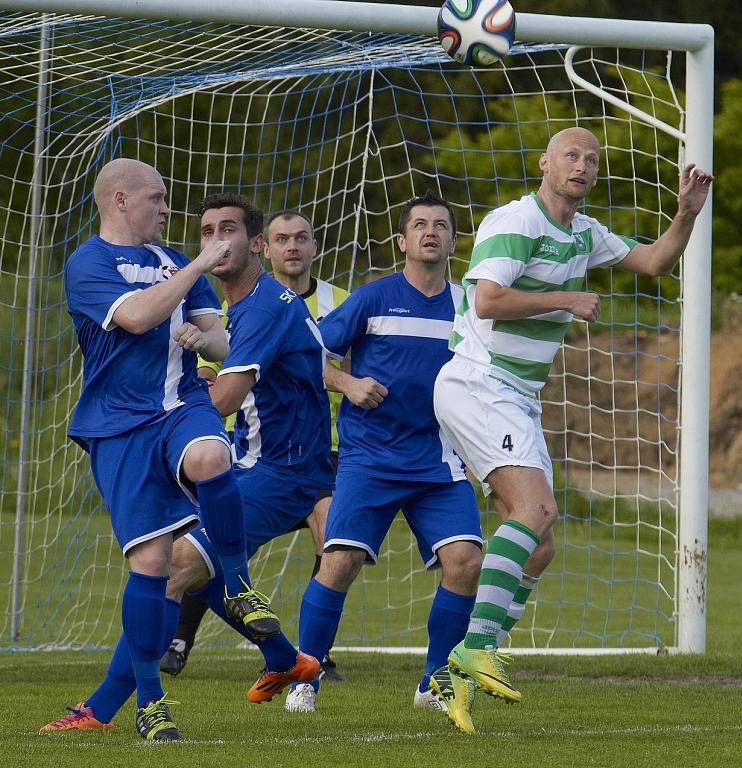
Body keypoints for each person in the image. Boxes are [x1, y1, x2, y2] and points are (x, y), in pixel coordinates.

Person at [432, 127, 714, 733]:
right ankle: (473, 648)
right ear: (545, 164)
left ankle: (460, 672)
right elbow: (487, 301)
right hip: (478, 380)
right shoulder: (516, 220)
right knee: (534, 512)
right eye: (571, 155)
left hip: (517, 395)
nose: (582, 165)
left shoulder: (586, 232)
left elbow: (655, 260)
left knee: (540, 543)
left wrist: (685, 214)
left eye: (591, 158)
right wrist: (566, 297)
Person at [38, 161, 278, 742]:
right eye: (158, 199)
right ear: (120, 200)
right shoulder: (88, 263)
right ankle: (149, 703)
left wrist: (207, 338)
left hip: (180, 408)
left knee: (212, 458)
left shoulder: (175, 263)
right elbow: (139, 316)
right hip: (118, 428)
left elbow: (222, 339)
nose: (168, 210)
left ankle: (239, 584)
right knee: (150, 566)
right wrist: (201, 261)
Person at [285, 191, 483, 722]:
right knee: (340, 560)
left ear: (453, 242)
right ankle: (305, 677)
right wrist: (347, 383)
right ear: (402, 240)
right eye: (419, 224)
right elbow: (307, 355)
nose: (430, 232)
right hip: (370, 459)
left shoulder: (468, 305)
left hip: (438, 460)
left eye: (440, 225)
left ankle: (435, 682)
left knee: (465, 560)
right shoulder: (373, 298)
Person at [160, 209, 350, 682]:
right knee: (196, 559)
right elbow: (223, 359)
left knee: (172, 567)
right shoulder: (260, 304)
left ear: (253, 244)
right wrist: (204, 348)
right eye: (208, 233)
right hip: (286, 462)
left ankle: (116, 705)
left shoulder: (268, 306)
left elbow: (223, 396)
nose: (218, 243)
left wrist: (162, 413)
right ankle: (288, 659)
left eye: (229, 232)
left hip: (281, 468)